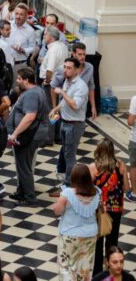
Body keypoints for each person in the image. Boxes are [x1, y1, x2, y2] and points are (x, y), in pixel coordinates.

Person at [53, 164, 101, 281]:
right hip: (90, 235)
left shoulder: (67, 193)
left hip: (70, 235)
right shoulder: (97, 193)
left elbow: (57, 211)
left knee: (65, 266)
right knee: (85, 268)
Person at [8, 66, 47, 206]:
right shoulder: (37, 91)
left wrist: (15, 133)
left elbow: (30, 116)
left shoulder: (31, 94)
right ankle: (21, 191)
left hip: (28, 135)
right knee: (22, 163)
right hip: (29, 134)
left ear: (26, 80)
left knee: (24, 165)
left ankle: (30, 197)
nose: (17, 81)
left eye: (19, 79)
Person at [53, 56, 90, 195]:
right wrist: (56, 109)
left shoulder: (81, 86)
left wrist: (61, 92)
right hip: (65, 122)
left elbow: (75, 104)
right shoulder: (67, 82)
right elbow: (65, 102)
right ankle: (65, 182)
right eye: (65, 67)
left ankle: (69, 186)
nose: (65, 70)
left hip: (75, 125)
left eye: (69, 68)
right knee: (65, 152)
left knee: (70, 155)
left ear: (76, 70)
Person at [90, 139, 128, 273]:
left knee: (97, 243)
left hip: (98, 210)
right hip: (115, 209)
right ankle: (111, 271)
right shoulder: (121, 166)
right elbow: (126, 187)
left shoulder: (94, 167)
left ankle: (97, 273)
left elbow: (88, 189)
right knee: (112, 242)